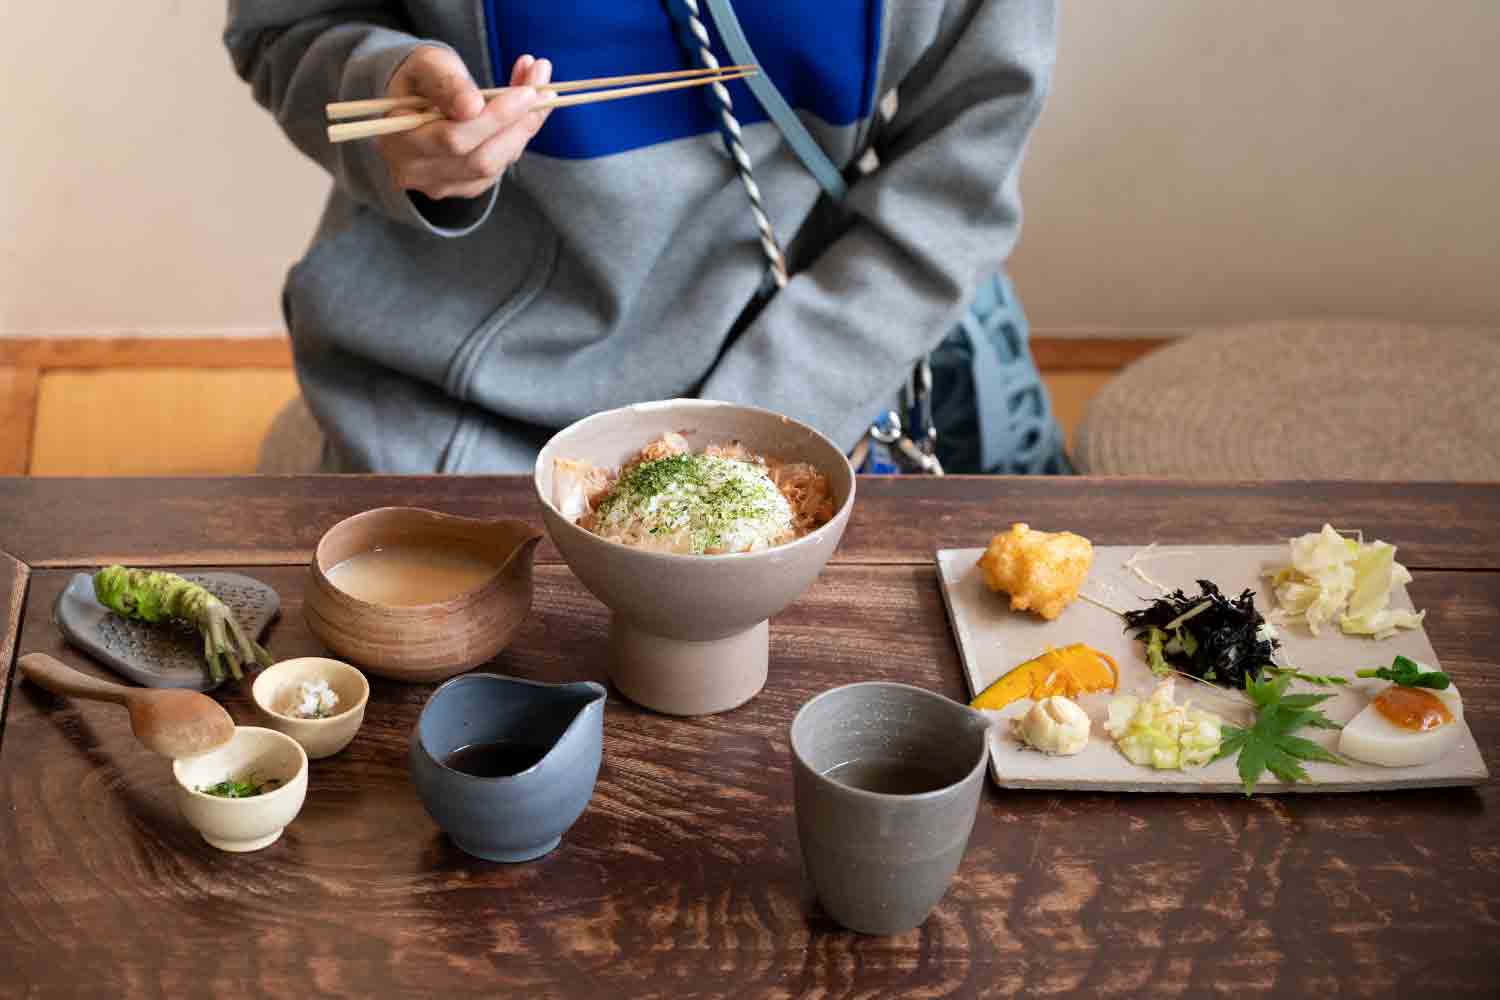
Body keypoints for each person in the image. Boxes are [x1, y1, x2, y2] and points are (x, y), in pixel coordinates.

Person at [225, 1, 1057, 473]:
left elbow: (956, 180)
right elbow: (287, 23)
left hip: (799, 388)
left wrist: (759, 431)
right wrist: (392, 113)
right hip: (446, 411)